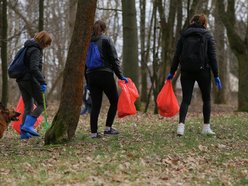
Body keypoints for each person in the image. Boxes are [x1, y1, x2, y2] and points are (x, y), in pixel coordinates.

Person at [166, 14, 222, 136]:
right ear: (204, 23)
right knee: (206, 99)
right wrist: (216, 74)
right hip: (203, 71)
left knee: (186, 99)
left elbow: (177, 55)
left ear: (192, 22)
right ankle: (206, 128)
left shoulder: (184, 35)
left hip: (186, 71)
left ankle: (181, 126)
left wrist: (172, 71)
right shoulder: (207, 35)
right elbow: (212, 56)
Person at [85, 20, 128, 138]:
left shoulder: (87, 42)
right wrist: (120, 76)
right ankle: (108, 128)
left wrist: (87, 81)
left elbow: (84, 64)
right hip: (105, 74)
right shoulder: (106, 40)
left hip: (91, 75)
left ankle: (94, 133)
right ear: (103, 29)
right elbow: (114, 60)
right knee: (114, 101)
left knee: (95, 105)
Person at [17, 31, 52, 139]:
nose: (46, 46)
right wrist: (42, 82)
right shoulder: (36, 50)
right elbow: (34, 68)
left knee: (28, 105)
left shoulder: (27, 47)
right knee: (43, 103)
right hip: (29, 80)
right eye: (46, 44)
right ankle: (28, 126)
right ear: (43, 42)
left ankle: (24, 134)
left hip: (21, 79)